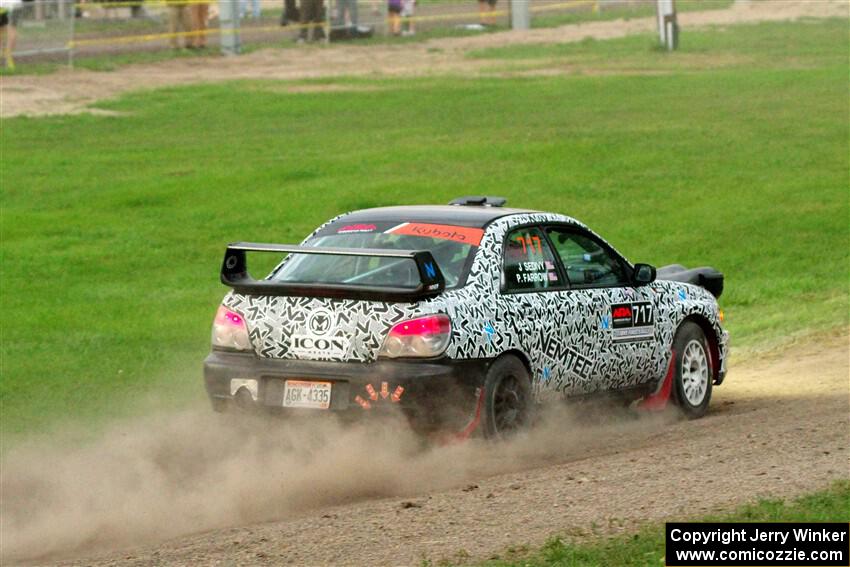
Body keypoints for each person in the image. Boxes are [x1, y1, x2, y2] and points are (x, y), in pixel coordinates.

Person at [0, 0, 22, 69]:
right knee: (12, 29)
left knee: (4, 29)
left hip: (3, 4)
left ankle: (5, 55)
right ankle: (8, 56)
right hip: (15, 4)